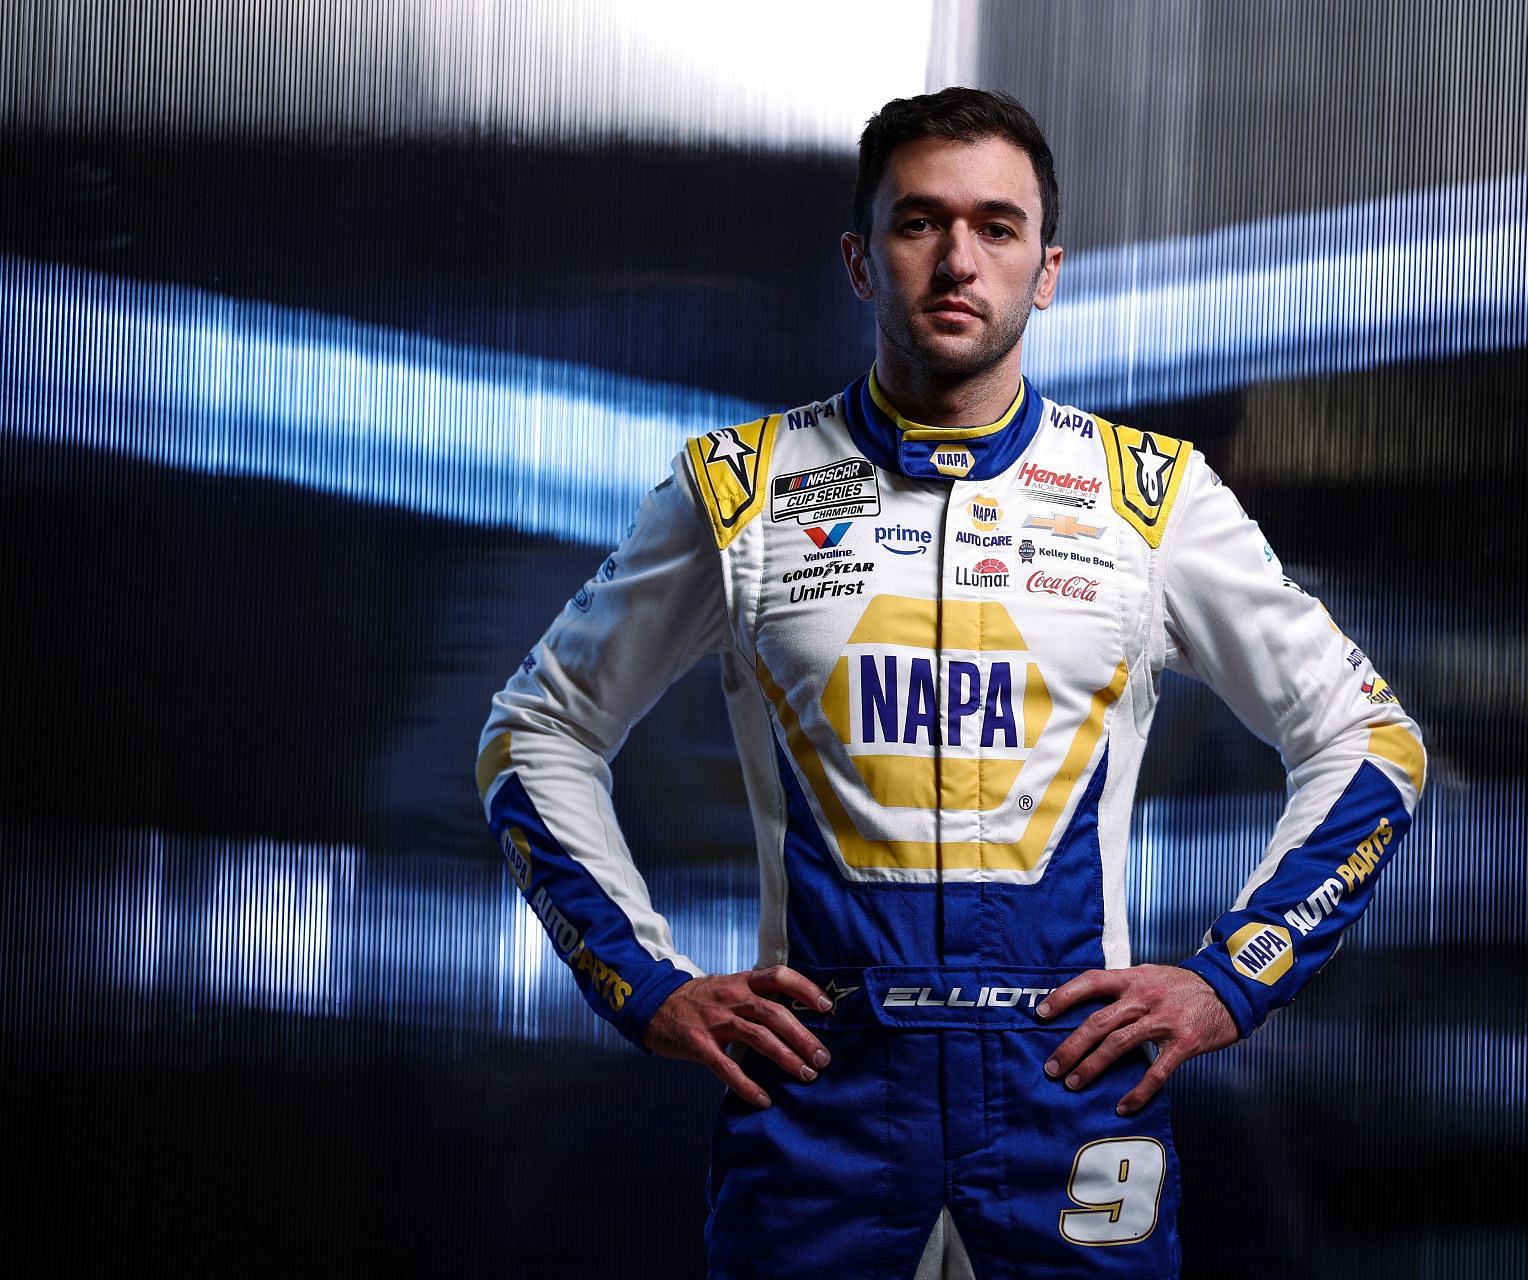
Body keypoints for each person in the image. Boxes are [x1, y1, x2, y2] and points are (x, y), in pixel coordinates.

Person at [476, 86, 1425, 1279]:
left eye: (997, 227)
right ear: (861, 260)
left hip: (1072, 1095)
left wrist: (1232, 973)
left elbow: (1372, 740)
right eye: (920, 223)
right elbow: (533, 732)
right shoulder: (740, 488)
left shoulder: (1150, 496)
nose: (958, 261)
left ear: (1048, 267)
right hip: (819, 1100)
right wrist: (643, 980)